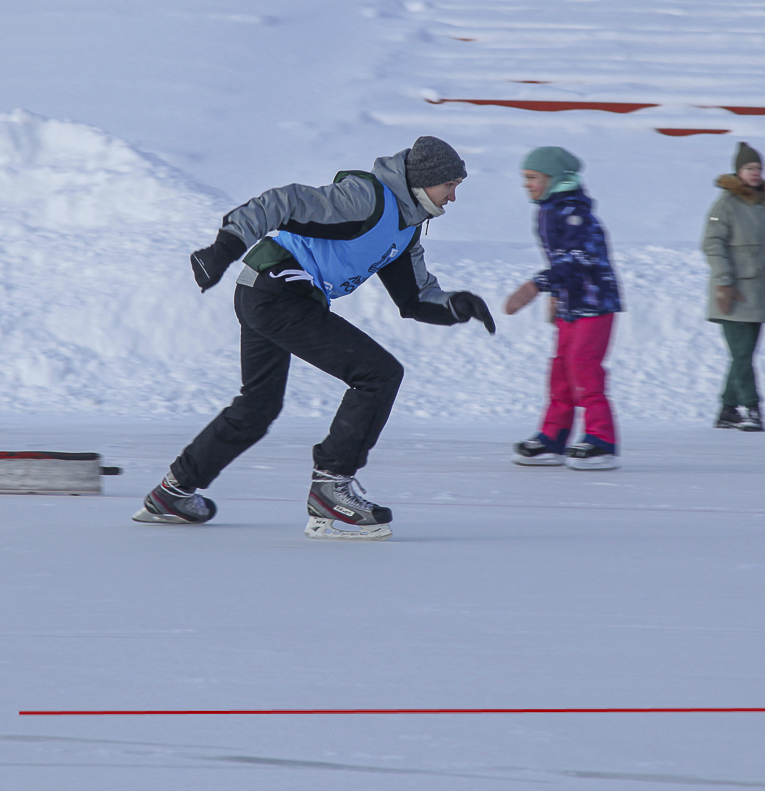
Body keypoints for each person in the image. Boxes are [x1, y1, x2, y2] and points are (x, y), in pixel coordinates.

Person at [134, 136, 495, 540]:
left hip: (267, 293)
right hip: (276, 287)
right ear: (425, 181)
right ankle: (331, 488)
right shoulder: (368, 199)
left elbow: (414, 298)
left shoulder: (406, 231)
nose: (454, 197)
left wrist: (457, 305)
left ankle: (172, 492)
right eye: (451, 186)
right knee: (378, 374)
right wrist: (224, 247)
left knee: (258, 406)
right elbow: (283, 202)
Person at [505, 147, 622, 469]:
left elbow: (579, 259)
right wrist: (556, 294)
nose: (527, 184)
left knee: (584, 368)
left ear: (555, 179)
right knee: (561, 370)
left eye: (532, 178)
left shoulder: (574, 212)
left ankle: (603, 440)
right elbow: (561, 262)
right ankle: (553, 437)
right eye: (525, 178)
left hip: (596, 304)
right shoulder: (549, 209)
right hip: (573, 304)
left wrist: (535, 286)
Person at [703, 142, 765, 432]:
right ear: (738, 171)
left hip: (760, 289)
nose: (755, 173)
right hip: (732, 290)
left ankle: (727, 411)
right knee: (742, 354)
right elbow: (712, 244)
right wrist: (723, 280)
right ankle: (751, 408)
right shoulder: (725, 204)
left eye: (758, 168)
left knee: (744, 354)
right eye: (749, 168)